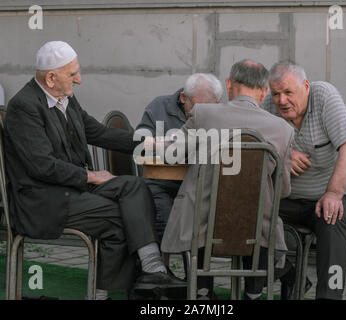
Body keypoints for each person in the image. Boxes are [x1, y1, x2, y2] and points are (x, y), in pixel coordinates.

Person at [4, 41, 185, 300]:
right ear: (51, 78)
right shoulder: (24, 106)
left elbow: (99, 132)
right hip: (43, 200)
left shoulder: (65, 97)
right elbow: (42, 165)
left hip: (73, 189)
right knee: (120, 216)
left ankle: (152, 270)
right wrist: (91, 175)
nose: (79, 79)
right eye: (73, 73)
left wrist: (152, 142)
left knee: (135, 185)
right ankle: (107, 292)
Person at [159, 59, 295, 300]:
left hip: (203, 228)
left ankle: (202, 291)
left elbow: (173, 154)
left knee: (201, 206)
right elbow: (282, 190)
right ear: (264, 92)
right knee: (259, 215)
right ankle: (252, 293)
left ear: (229, 84)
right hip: (255, 232)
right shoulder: (283, 129)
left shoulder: (203, 113)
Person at [261, 61, 346, 300]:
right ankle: (292, 276)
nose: (281, 101)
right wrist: (284, 153)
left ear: (305, 86)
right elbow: (256, 150)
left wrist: (334, 193)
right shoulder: (267, 105)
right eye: (276, 94)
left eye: (288, 92)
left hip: (340, 196)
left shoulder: (324, 95)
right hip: (290, 199)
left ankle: (330, 295)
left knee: (331, 215)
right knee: (253, 211)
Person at [136, 73, 223, 241]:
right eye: (198, 108)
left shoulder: (221, 114)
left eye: (209, 109)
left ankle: (198, 261)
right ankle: (160, 259)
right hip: (164, 183)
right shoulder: (159, 106)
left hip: (201, 186)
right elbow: (141, 147)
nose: (202, 115)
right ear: (184, 97)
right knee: (160, 209)